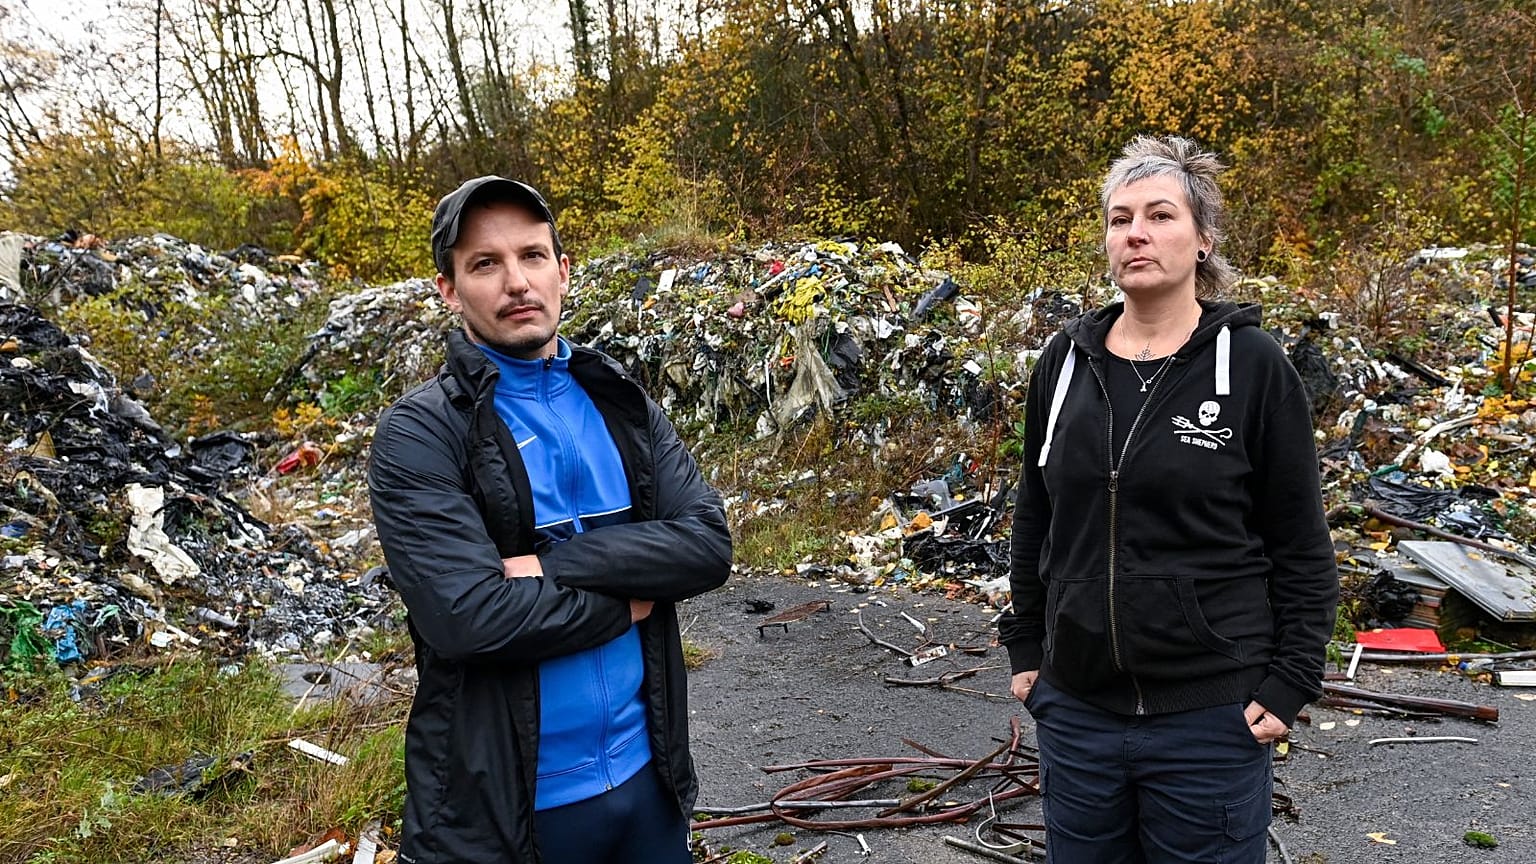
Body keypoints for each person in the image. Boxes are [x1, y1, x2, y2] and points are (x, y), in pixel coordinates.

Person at [368, 176, 732, 863]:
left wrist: (554, 566)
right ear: (449, 289)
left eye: (533, 256)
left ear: (563, 272)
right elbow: (470, 616)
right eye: (484, 264)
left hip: (648, 788)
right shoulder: (419, 434)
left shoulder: (618, 400)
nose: (516, 282)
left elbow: (707, 546)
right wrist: (632, 599)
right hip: (507, 816)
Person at [998, 136, 1338, 862]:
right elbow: (1037, 516)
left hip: (1209, 717)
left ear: (1203, 240)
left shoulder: (1251, 365)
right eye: (1121, 220)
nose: (1137, 234)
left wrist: (1290, 683)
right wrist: (1027, 649)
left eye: (1159, 215)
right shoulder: (1063, 365)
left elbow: (1301, 542)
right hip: (1079, 712)